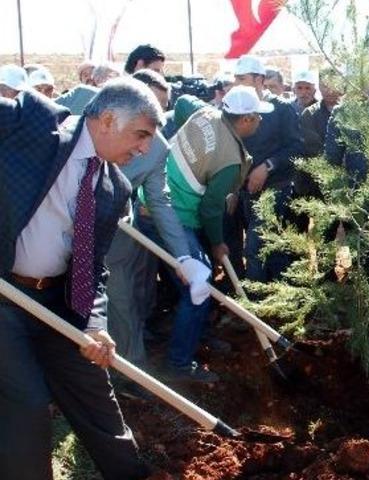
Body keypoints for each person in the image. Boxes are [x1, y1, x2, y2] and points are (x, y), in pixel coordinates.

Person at [0, 78, 162, 480]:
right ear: (107, 119)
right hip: (4, 299)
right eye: (141, 135)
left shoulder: (114, 188)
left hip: (55, 302)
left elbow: (92, 267)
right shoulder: (34, 123)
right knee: (28, 403)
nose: (144, 148)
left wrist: (94, 325)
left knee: (92, 387)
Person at [104, 74, 210, 397]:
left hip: (124, 228)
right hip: (80, 229)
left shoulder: (157, 149)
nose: (154, 116)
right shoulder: (96, 126)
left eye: (161, 108)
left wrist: (183, 255)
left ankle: (131, 354)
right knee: (119, 296)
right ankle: (132, 373)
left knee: (134, 294)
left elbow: (160, 201)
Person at [161, 86, 270, 383]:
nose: (260, 121)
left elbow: (181, 101)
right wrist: (218, 242)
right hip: (177, 214)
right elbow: (211, 208)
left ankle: (200, 335)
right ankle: (179, 363)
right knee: (199, 285)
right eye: (258, 117)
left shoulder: (206, 112)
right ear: (246, 119)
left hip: (157, 196)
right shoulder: (230, 159)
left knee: (195, 284)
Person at [232, 55, 305, 282]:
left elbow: (296, 148)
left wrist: (267, 166)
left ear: (258, 79)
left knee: (255, 247)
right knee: (270, 248)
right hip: (245, 191)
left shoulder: (281, 109)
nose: (237, 84)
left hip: (275, 190)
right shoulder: (237, 107)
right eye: (236, 79)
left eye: (242, 78)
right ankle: (275, 299)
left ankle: (255, 306)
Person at [301, 69, 342, 157]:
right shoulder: (310, 114)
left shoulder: (353, 111)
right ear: (319, 86)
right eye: (325, 86)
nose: (330, 90)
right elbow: (312, 149)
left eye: (334, 86)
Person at [56, 63, 122, 115]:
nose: (90, 77)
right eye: (85, 75)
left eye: (92, 73)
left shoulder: (118, 101)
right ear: (81, 79)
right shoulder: (77, 94)